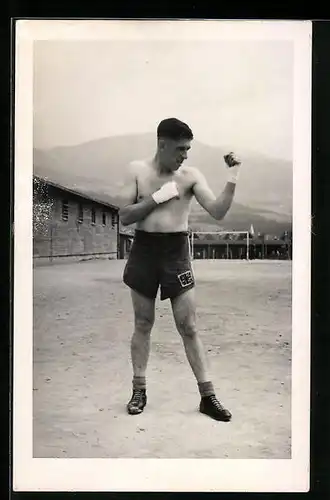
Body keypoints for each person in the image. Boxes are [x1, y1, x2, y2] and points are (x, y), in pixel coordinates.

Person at [118, 117, 241, 422]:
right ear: (162, 144)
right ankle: (139, 389)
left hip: (176, 253)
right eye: (180, 149)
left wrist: (233, 176)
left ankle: (208, 396)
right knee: (143, 322)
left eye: (188, 149)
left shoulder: (190, 175)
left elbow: (218, 212)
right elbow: (124, 216)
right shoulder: (136, 171)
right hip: (144, 250)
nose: (185, 155)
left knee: (189, 326)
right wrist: (157, 198)